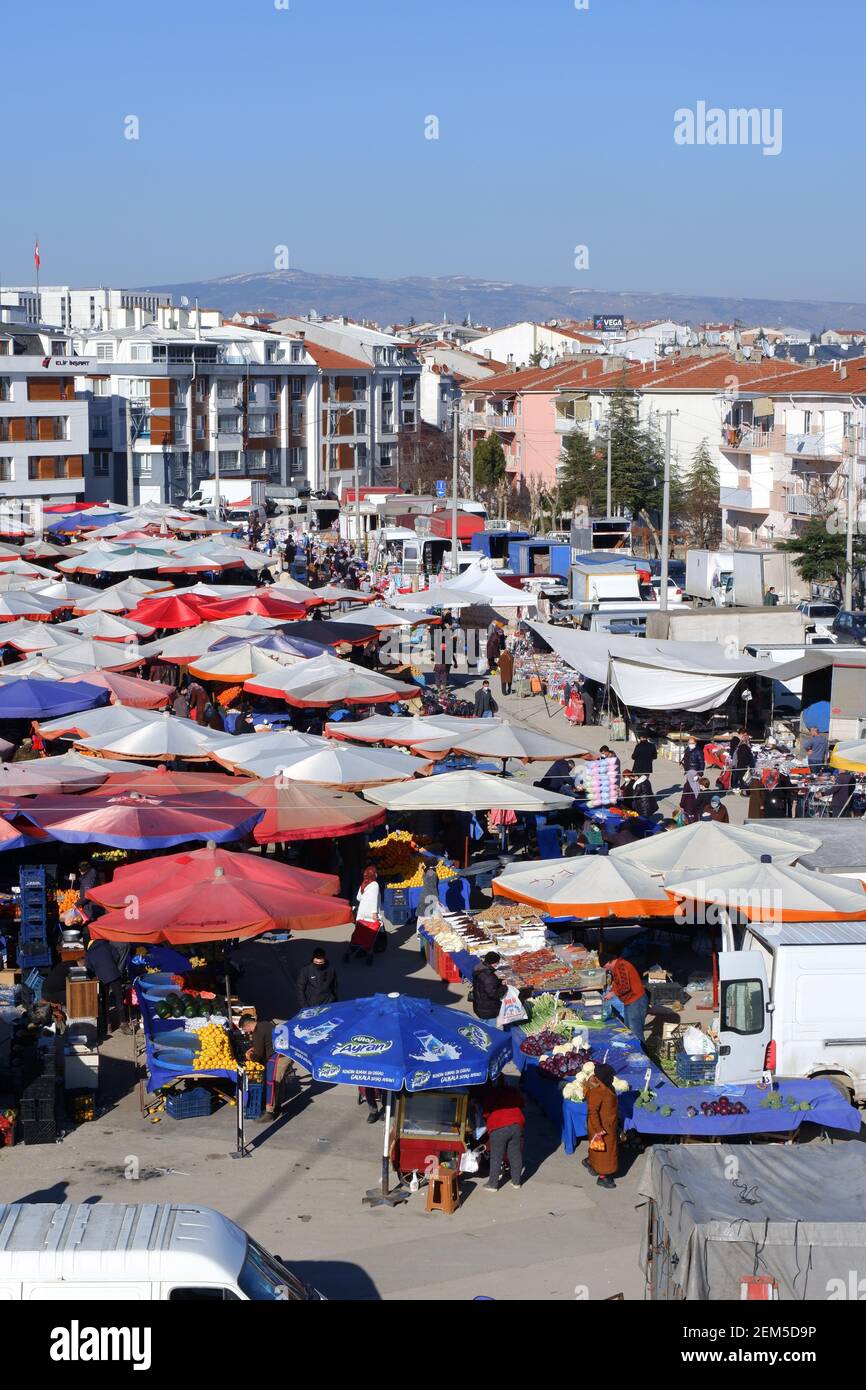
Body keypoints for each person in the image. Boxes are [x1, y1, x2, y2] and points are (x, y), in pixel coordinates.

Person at [240, 1015, 294, 1122]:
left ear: (247, 1025)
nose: (246, 1032)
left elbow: (258, 1055)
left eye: (244, 1029)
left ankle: (269, 1113)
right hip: (287, 1053)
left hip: (279, 1057)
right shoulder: (265, 1024)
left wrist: (249, 1056)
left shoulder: (257, 1032)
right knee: (280, 1081)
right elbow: (266, 1042)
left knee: (273, 1082)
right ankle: (278, 1106)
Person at [479, 1079, 525, 1192]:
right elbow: (522, 1104)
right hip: (517, 1124)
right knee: (515, 1153)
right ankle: (516, 1182)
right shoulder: (513, 1091)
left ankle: (493, 1184)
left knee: (496, 1155)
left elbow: (486, 1112)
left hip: (499, 1125)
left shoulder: (493, 1093)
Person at [582, 1062, 619, 1190]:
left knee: (597, 1148)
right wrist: (598, 1130)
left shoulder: (604, 1086)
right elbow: (592, 1111)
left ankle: (590, 1162)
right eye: (611, 1077)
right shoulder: (598, 1091)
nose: (613, 1079)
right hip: (603, 1127)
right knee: (605, 1152)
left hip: (606, 1124)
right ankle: (604, 1176)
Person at [85, 937, 130, 1036]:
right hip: (114, 974)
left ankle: (108, 1026)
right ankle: (123, 1023)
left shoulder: (89, 953)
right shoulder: (107, 945)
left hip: (102, 978)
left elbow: (88, 968)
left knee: (105, 1002)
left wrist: (96, 972)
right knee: (119, 1000)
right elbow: (117, 956)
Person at [345, 864, 383, 965]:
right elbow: (374, 899)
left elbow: (358, 898)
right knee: (370, 934)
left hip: (361, 913)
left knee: (360, 932)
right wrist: (374, 913)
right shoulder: (375, 885)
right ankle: (368, 949)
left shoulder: (364, 884)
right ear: (374, 874)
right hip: (371, 913)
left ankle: (355, 948)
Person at [604, 955, 648, 1039]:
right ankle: (633, 1050)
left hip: (636, 1001)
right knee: (628, 1029)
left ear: (609, 962)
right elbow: (617, 983)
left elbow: (625, 986)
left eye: (605, 966)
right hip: (629, 1001)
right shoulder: (616, 967)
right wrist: (611, 991)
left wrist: (613, 993)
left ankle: (642, 1051)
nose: (605, 969)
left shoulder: (621, 966)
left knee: (636, 1032)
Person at [471, 952, 507, 1021]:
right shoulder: (489, 976)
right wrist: (504, 987)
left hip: (479, 1005)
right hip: (488, 1010)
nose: (497, 964)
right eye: (497, 963)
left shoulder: (479, 969)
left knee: (483, 1025)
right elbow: (494, 994)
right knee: (490, 1028)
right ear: (493, 963)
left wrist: (499, 981)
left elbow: (485, 984)